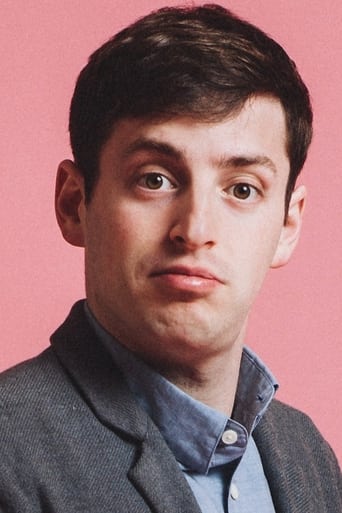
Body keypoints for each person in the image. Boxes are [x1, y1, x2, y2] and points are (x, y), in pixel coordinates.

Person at [0, 4, 341, 512]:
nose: (195, 230)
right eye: (154, 179)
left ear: (288, 226)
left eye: (242, 189)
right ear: (74, 203)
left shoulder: (307, 454)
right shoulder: (11, 453)